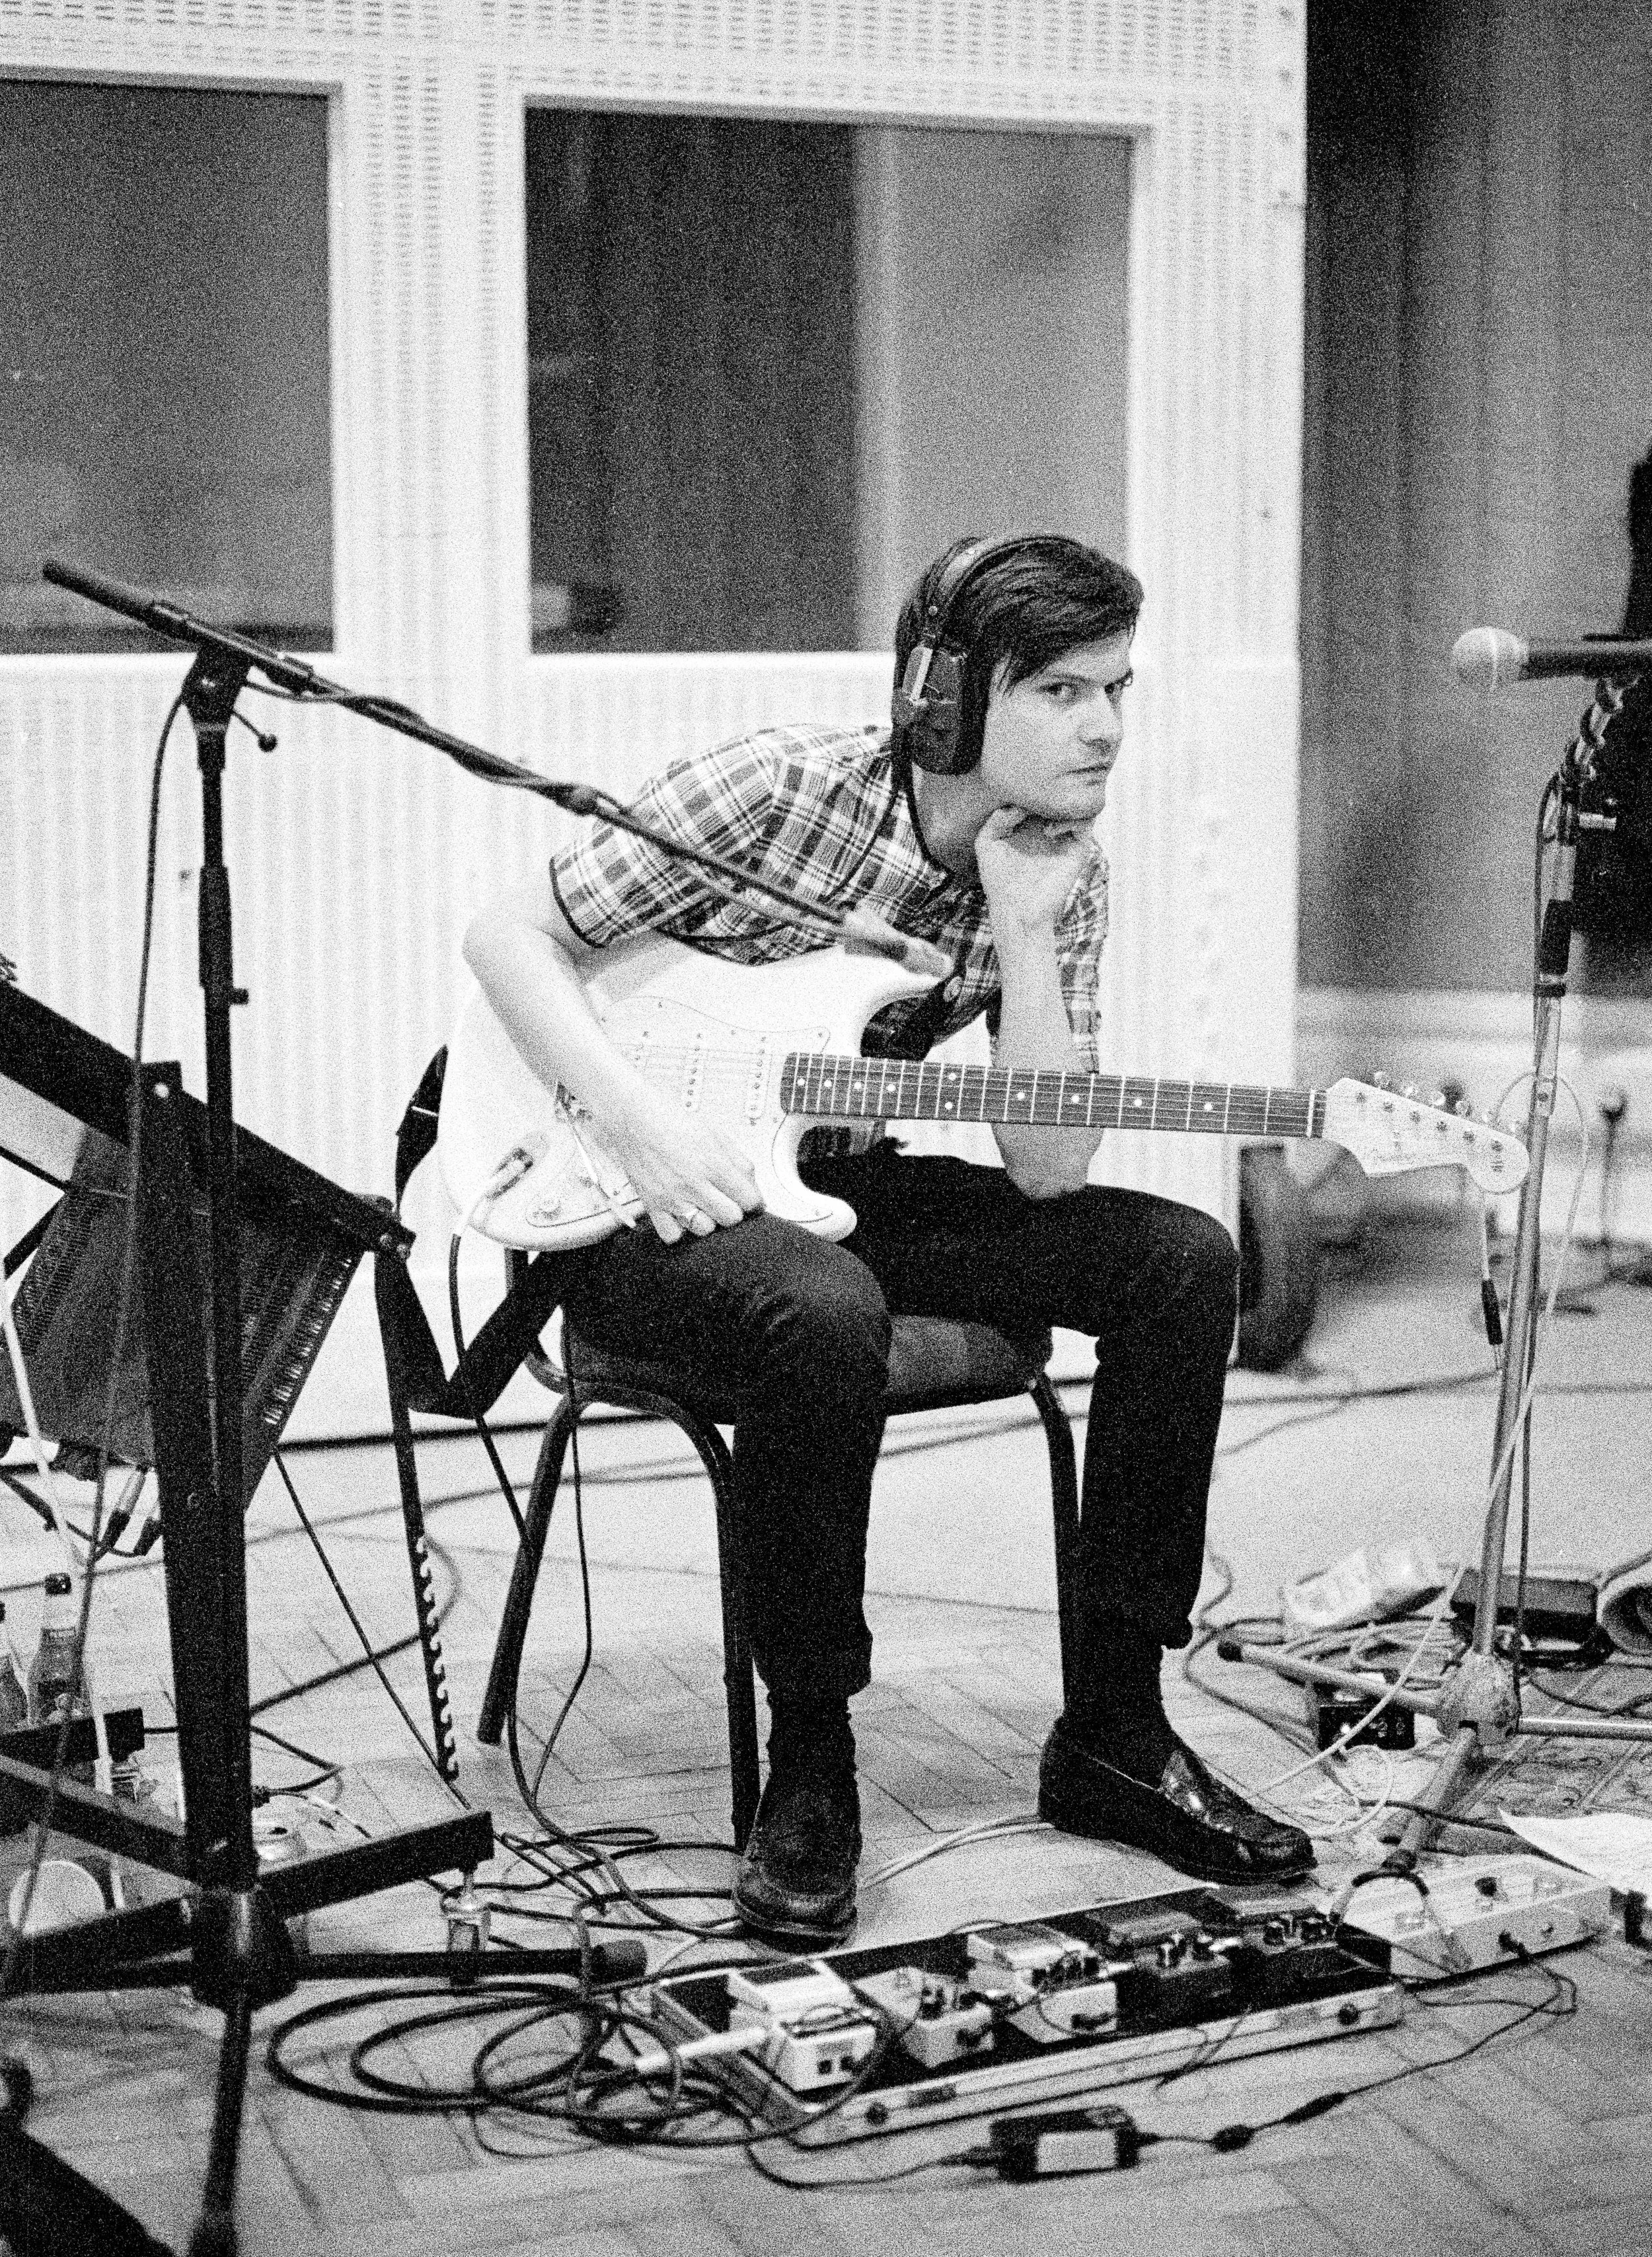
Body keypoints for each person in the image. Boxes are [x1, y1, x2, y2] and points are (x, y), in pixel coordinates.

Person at [464, 533, 1312, 1942]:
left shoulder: (1062, 866)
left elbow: (1045, 1168)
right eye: (1057, 691)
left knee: (1178, 1259)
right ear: (944, 697)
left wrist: (1025, 932)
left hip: (828, 1170)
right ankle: (810, 1753)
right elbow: (509, 938)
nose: (1102, 728)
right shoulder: (775, 789)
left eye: (1116, 688)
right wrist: (633, 1129)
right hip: (628, 1195)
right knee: (823, 1310)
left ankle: (1112, 1728)